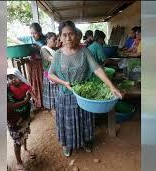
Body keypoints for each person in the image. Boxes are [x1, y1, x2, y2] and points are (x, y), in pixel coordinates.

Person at [48, 20, 122, 157]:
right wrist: (64, 83)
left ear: (76, 35)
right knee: (67, 121)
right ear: (60, 37)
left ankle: (84, 141)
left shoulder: (84, 51)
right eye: (64, 35)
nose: (68, 38)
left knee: (84, 119)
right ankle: (67, 144)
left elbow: (97, 68)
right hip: (65, 96)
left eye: (71, 34)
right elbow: (50, 74)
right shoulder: (58, 54)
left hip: (82, 95)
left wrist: (111, 86)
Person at [7, 68, 36, 171]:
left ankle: (26, 149)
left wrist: (29, 99)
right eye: (10, 78)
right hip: (14, 120)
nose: (13, 80)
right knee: (17, 140)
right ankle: (19, 162)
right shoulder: (6, 90)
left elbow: (29, 91)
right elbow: (10, 106)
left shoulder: (23, 86)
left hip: (24, 115)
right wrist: (26, 100)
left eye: (15, 77)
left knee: (25, 134)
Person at [11, 23, 45, 109]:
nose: (33, 35)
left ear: (40, 32)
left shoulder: (44, 39)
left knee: (42, 82)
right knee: (34, 83)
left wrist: (38, 48)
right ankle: (38, 102)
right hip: (31, 65)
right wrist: (25, 45)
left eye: (35, 33)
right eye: (31, 33)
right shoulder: (29, 38)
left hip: (41, 64)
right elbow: (13, 39)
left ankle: (45, 102)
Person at [40, 32, 59, 111]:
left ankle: (57, 113)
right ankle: (55, 115)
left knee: (56, 96)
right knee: (53, 99)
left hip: (55, 75)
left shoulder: (53, 49)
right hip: (49, 75)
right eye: (54, 40)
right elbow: (51, 59)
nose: (55, 42)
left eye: (56, 40)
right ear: (47, 39)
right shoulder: (44, 49)